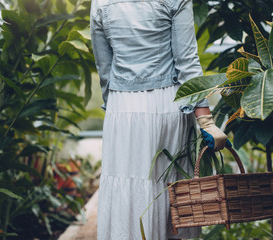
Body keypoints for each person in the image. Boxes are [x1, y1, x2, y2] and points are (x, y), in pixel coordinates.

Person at [90, 0, 229, 239]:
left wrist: (114, 108)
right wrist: (206, 122)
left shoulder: (100, 2)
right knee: (172, 188)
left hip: (122, 107)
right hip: (167, 104)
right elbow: (187, 62)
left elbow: (104, 67)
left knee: (127, 187)